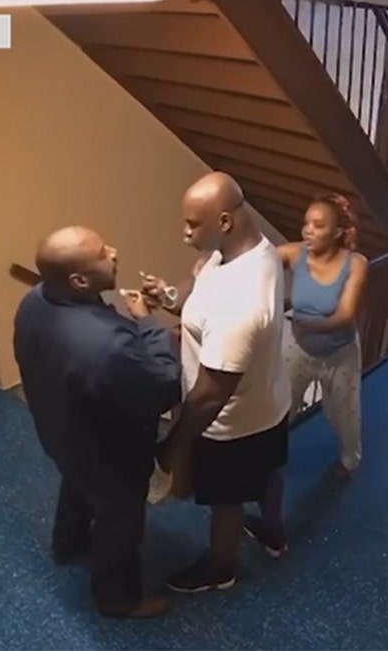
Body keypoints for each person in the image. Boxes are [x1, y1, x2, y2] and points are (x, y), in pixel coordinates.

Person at [12, 226, 182, 619]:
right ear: (80, 280)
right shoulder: (102, 345)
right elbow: (163, 386)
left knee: (77, 480)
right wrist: (146, 322)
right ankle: (117, 599)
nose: (115, 251)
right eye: (104, 253)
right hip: (110, 453)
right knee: (120, 519)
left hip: (60, 428)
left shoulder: (34, 300)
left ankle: (67, 542)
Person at [141, 171, 292, 592]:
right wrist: (171, 297)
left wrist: (173, 447)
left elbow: (210, 396)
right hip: (270, 401)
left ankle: (219, 569)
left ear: (224, 220)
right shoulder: (243, 249)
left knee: (226, 501)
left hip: (231, 424)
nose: (184, 231)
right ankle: (274, 532)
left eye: (193, 224)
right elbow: (200, 295)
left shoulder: (241, 303)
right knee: (266, 472)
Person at [278, 194, 370, 476]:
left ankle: (350, 459)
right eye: (306, 223)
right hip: (299, 348)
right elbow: (255, 257)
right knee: (280, 405)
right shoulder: (294, 254)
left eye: (318, 225)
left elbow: (345, 314)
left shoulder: (356, 263)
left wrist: (308, 324)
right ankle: (269, 453)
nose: (307, 230)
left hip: (340, 353)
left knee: (345, 414)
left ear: (338, 232)